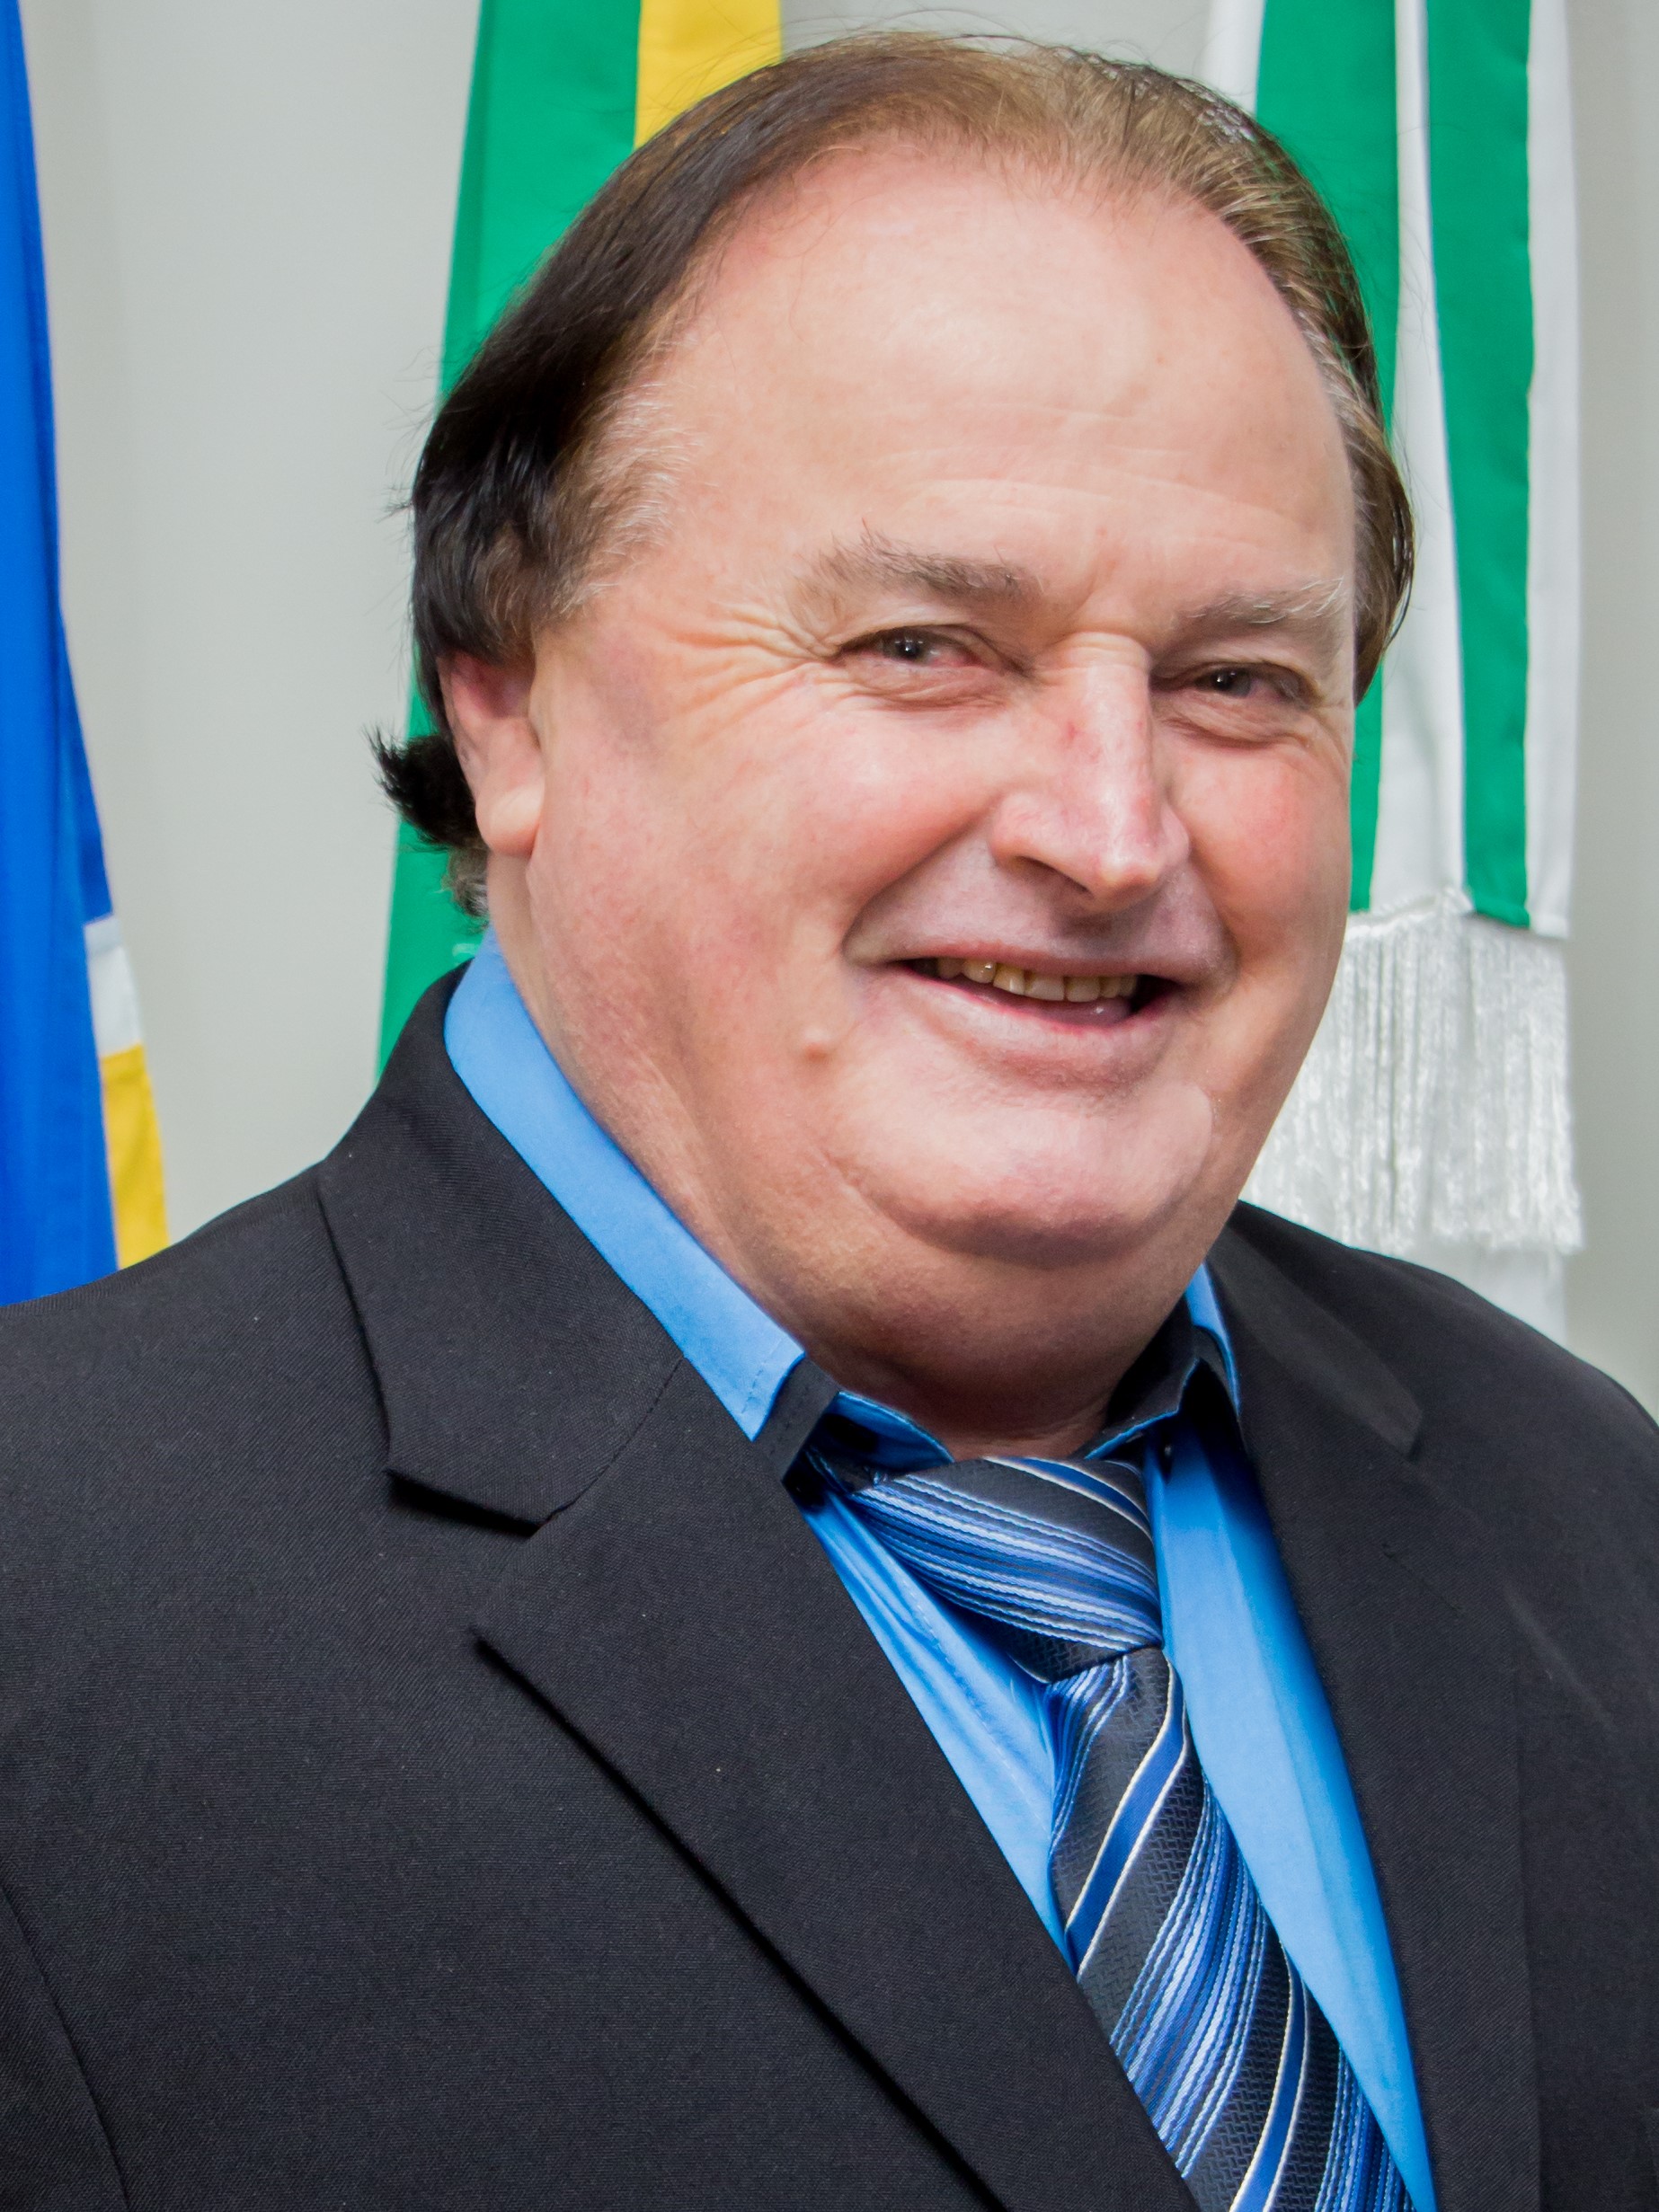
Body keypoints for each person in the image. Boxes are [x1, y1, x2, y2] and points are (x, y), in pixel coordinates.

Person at [1, 33, 1655, 2212]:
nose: (1106, 830)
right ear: (502, 703)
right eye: (921, 645)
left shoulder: (1577, 1498)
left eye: (1236, 679)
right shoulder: (49, 1600)